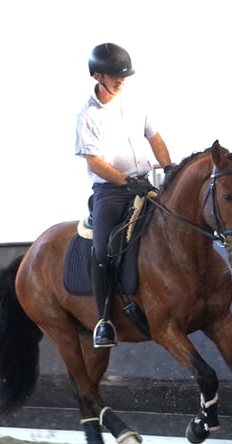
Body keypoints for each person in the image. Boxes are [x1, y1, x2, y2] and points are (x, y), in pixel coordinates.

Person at [75, 42, 173, 348]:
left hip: (145, 181)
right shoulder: (87, 116)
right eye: (115, 75)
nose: (121, 79)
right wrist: (125, 182)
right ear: (97, 75)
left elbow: (155, 138)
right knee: (102, 250)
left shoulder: (136, 102)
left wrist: (170, 170)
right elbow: (94, 162)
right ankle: (104, 321)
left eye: (123, 75)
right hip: (112, 192)